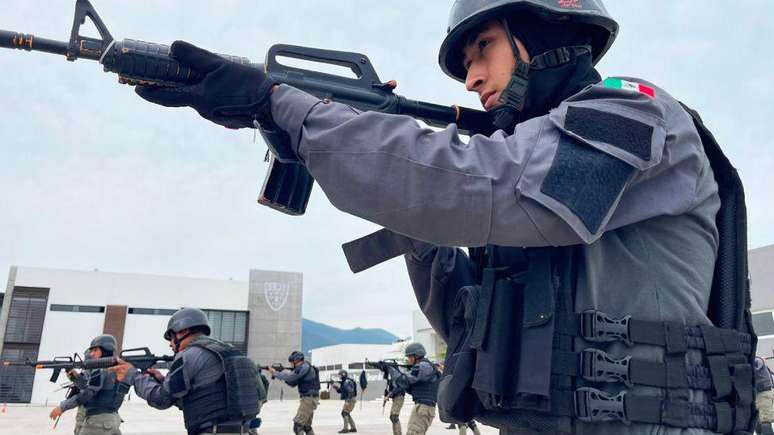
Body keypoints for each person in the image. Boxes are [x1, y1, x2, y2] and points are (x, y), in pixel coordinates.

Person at [133, 0, 756, 433]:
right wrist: (417, 226)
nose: (471, 78)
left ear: (541, 36)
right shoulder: (530, 172)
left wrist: (286, 106)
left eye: (482, 49)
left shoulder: (634, 115)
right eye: (464, 65)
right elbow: (467, 326)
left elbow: (488, 186)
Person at [110, 308, 260, 435]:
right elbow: (207, 397)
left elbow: (161, 399)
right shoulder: (231, 353)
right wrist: (163, 381)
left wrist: (133, 375)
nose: (170, 344)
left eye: (171, 337)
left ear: (183, 331)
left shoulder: (190, 354)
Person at [50, 335, 127, 435]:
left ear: (106, 350)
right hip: (111, 419)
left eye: (95, 350)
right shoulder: (117, 368)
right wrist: (76, 377)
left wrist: (62, 407)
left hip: (98, 423)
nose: (91, 354)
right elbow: (91, 387)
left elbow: (88, 393)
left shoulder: (101, 370)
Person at [386, 343, 440, 435]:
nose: (408, 359)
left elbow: (406, 379)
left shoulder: (423, 366)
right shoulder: (425, 366)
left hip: (424, 407)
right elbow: (409, 386)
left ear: (417, 356)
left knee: (413, 433)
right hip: (422, 406)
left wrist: (392, 370)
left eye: (410, 357)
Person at [268, 351, 320, 435]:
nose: (291, 365)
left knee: (298, 426)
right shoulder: (305, 367)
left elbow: (290, 377)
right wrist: (282, 374)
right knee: (306, 426)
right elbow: (292, 383)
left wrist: (275, 373)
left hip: (309, 400)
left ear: (296, 361)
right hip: (310, 399)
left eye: (292, 363)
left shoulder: (304, 367)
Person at [332, 369, 358, 433]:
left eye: (340, 375)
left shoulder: (346, 382)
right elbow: (340, 391)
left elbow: (350, 391)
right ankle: (353, 428)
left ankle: (345, 429)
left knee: (344, 413)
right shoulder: (345, 381)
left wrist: (347, 401)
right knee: (346, 413)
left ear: (343, 375)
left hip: (350, 399)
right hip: (351, 399)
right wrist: (334, 386)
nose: (339, 376)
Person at [756, 357, 774, 435]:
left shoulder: (757, 361)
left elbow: (752, 368)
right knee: (758, 419)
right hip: (758, 394)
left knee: (765, 419)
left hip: (763, 393)